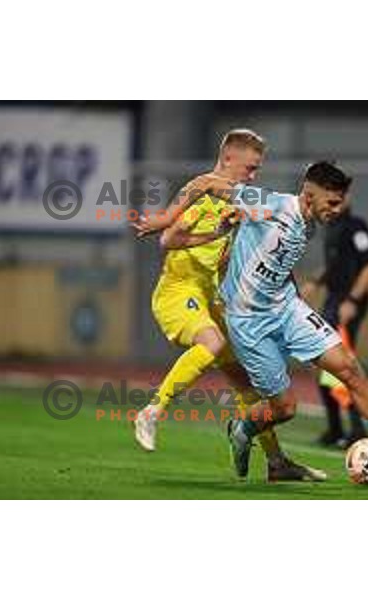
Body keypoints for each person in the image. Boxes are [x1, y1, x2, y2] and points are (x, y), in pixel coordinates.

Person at [132, 129, 326, 482]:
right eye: (250, 168)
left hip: (214, 299)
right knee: (213, 343)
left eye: (257, 170)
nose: (254, 176)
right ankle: (153, 410)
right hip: (179, 292)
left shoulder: (241, 199)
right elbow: (169, 238)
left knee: (248, 383)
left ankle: (277, 462)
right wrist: (215, 233)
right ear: (228, 159)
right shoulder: (205, 192)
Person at [220, 161, 368, 478]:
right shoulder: (271, 203)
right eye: (332, 201)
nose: (338, 208)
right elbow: (209, 184)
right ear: (308, 196)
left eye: (341, 201)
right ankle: (243, 427)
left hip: (287, 308)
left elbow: (277, 259)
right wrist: (171, 219)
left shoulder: (310, 224)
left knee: (348, 366)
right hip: (248, 319)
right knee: (284, 409)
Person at [302, 197, 368, 448]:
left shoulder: (356, 226)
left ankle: (356, 429)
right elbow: (333, 265)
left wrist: (353, 300)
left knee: (342, 364)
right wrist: (315, 283)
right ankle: (336, 429)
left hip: (347, 302)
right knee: (320, 363)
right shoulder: (331, 227)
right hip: (333, 301)